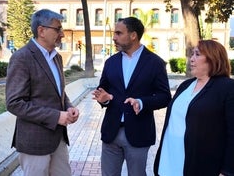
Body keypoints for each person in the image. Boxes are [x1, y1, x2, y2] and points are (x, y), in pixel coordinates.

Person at [92, 17, 171, 176]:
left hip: (139, 133)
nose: (114, 37)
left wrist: (142, 102)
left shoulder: (155, 63)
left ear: (133, 35)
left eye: (119, 33)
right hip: (111, 132)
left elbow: (164, 96)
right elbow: (103, 90)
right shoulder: (110, 62)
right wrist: (105, 99)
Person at [6, 9, 79, 176]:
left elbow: (58, 91)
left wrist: (68, 106)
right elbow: (14, 103)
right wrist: (56, 116)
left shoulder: (57, 57)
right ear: (41, 31)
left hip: (58, 139)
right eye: (58, 29)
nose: (62, 34)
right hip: (34, 142)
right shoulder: (22, 57)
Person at [154, 40, 234, 176]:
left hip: (201, 165)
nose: (191, 59)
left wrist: (227, 171)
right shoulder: (185, 85)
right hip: (169, 160)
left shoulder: (227, 88)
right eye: (192, 54)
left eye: (197, 54)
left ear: (212, 58)